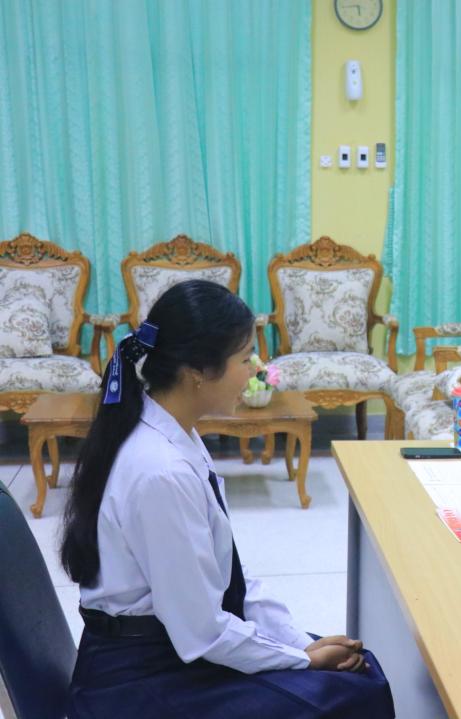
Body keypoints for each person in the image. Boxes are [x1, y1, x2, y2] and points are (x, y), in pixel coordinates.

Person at [61, 280, 395, 718]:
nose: (256, 369)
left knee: (355, 670)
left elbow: (229, 577)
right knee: (353, 694)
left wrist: (297, 642)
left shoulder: (171, 432)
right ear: (198, 371)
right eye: (244, 357)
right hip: (136, 681)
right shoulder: (161, 470)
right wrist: (303, 660)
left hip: (172, 645)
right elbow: (203, 634)